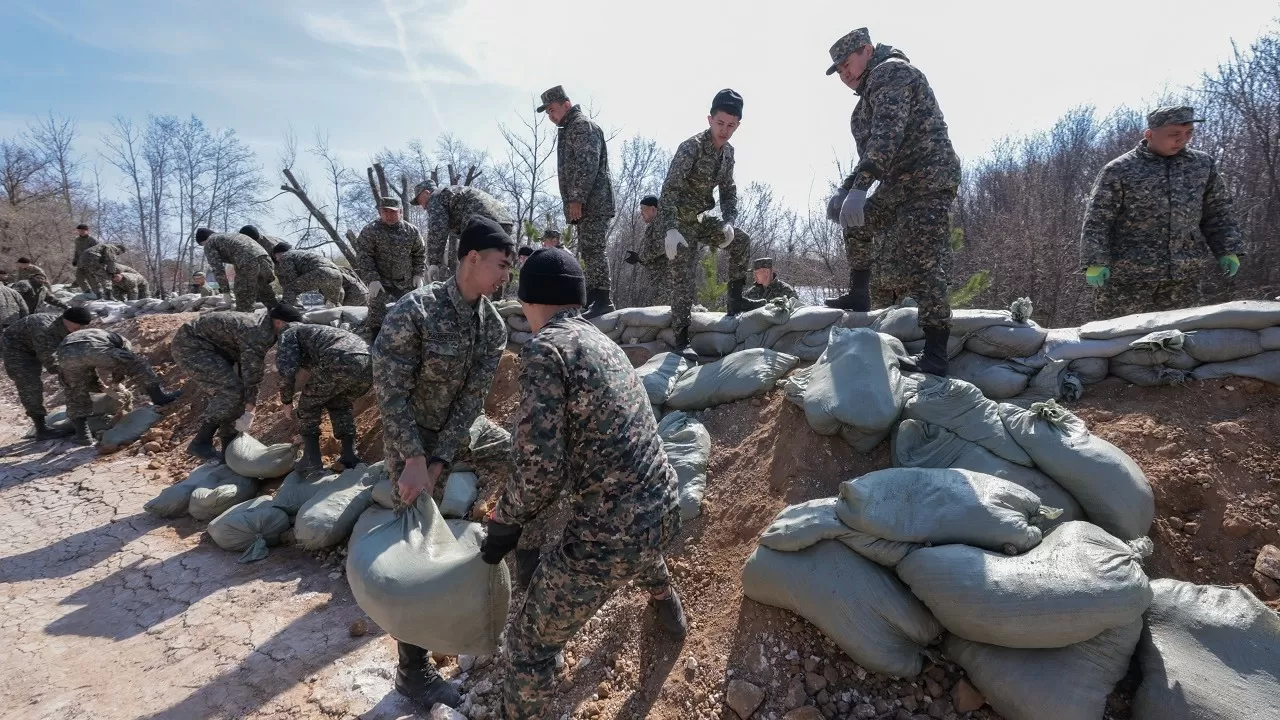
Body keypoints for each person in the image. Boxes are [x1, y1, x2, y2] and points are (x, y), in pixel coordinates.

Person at [480, 248, 687, 720]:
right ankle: (667, 607)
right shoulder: (601, 340)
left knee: (526, 647)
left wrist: (504, 523)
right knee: (636, 528)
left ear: (528, 299)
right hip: (664, 509)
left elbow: (538, 468)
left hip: (611, 539)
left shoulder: (545, 349)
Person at [372, 215, 515, 711]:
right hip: (404, 438)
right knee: (414, 539)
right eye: (500, 264)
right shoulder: (418, 309)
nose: (505, 276)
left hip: (443, 444)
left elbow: (472, 402)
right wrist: (413, 458)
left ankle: (422, 644)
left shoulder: (492, 326)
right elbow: (389, 388)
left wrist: (438, 460)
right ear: (471, 258)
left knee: (432, 536)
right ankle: (411, 671)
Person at [822, 27, 961, 377]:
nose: (844, 74)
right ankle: (858, 293)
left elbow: (887, 135)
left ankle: (936, 353)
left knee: (924, 258)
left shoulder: (892, 72)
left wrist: (859, 189)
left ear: (867, 50)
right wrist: (846, 189)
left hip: (928, 178)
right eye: (838, 70)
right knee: (856, 223)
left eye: (847, 64)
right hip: (899, 183)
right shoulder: (869, 92)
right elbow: (873, 151)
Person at [1081, 105, 1243, 318]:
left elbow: (1218, 211)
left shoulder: (1202, 165)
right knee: (1122, 341)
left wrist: (1227, 249)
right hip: (1129, 278)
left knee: (1179, 341)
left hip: (1183, 276)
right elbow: (1098, 220)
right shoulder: (1120, 169)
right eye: (1174, 134)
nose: (1182, 140)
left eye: (1188, 133)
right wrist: (1095, 261)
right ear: (1150, 135)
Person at [656, 89, 755, 346]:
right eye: (720, 123)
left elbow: (728, 191)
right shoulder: (691, 148)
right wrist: (669, 227)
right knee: (684, 278)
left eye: (731, 125)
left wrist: (729, 221)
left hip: (699, 220)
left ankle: (735, 301)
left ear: (738, 126)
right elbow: (669, 189)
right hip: (677, 224)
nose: (724, 130)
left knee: (742, 240)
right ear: (709, 119)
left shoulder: (728, 153)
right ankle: (680, 338)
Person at [170, 305, 302, 460]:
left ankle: (228, 448)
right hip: (191, 346)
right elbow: (252, 374)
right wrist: (250, 411)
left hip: (216, 348)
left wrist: (246, 408)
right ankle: (201, 442)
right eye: (291, 327)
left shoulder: (267, 327)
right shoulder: (258, 333)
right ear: (279, 323)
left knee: (239, 393)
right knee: (231, 390)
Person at [538, 84, 617, 319]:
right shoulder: (571, 127)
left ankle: (603, 300)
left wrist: (576, 199)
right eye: (548, 113)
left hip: (593, 201)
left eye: (553, 110)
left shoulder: (581, 126)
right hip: (588, 202)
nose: (551, 117)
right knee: (589, 250)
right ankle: (595, 297)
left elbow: (586, 164)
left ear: (567, 104)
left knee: (594, 249)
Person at [54, 327, 181, 445]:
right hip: (91, 348)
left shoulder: (94, 334)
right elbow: (125, 361)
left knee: (74, 391)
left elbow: (93, 372)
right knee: (137, 365)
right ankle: (159, 397)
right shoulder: (121, 340)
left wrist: (103, 385)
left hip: (65, 354)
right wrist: (117, 382)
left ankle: (83, 435)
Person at [276, 323, 371, 471]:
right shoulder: (317, 331)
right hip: (368, 363)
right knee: (339, 403)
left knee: (308, 404)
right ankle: (350, 455)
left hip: (339, 358)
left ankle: (311, 459)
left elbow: (287, 371)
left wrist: (286, 400)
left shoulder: (288, 335)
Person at [2, 308, 92, 440]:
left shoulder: (69, 327)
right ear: (66, 320)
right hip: (16, 348)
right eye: (78, 325)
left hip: (35, 343)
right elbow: (51, 363)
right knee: (29, 384)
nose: (80, 329)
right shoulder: (44, 329)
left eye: (83, 326)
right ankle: (41, 428)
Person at [410, 180, 515, 282]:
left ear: (426, 192)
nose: (423, 207)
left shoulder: (435, 197)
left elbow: (437, 229)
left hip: (481, 224)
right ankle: (496, 297)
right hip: (505, 221)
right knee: (496, 262)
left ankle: (471, 297)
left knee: (470, 263)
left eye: (420, 201)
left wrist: (434, 262)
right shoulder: (453, 192)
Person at [355, 197, 426, 342]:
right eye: (385, 211)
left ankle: (410, 345)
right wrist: (372, 279)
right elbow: (364, 255)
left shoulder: (411, 231)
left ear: (400, 211)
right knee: (377, 316)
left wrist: (418, 274)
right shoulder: (370, 231)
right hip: (381, 283)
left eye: (392, 212)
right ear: (380, 212)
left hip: (406, 282)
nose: (388, 215)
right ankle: (376, 347)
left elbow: (419, 253)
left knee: (412, 314)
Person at [196, 227, 279, 313]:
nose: (204, 247)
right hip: (265, 259)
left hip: (248, 262)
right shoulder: (229, 236)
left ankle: (245, 323)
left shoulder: (210, 242)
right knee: (265, 293)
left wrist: (226, 292)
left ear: (203, 241)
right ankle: (280, 317)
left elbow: (218, 270)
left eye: (202, 245)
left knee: (243, 299)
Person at [623, 195, 672, 304]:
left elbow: (662, 246)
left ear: (653, 209)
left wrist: (640, 257)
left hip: (665, 279)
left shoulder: (661, 223)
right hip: (657, 279)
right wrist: (640, 258)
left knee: (661, 311)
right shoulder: (654, 225)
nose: (641, 213)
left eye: (643, 209)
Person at [272, 241, 348, 308]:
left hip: (321, 272)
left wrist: (290, 297)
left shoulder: (286, 256)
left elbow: (291, 278)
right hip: (337, 274)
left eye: (276, 256)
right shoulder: (300, 253)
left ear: (280, 252)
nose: (276, 259)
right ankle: (340, 320)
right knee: (333, 304)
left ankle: (282, 313)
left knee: (290, 288)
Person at [71, 224, 99, 291]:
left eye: (83, 230)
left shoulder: (93, 240)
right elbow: (76, 251)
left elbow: (99, 251)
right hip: (80, 262)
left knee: (91, 278)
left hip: (90, 263)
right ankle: (87, 292)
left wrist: (95, 262)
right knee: (79, 277)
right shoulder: (77, 240)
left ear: (87, 231)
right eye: (79, 230)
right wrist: (75, 260)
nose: (81, 232)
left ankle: (98, 292)